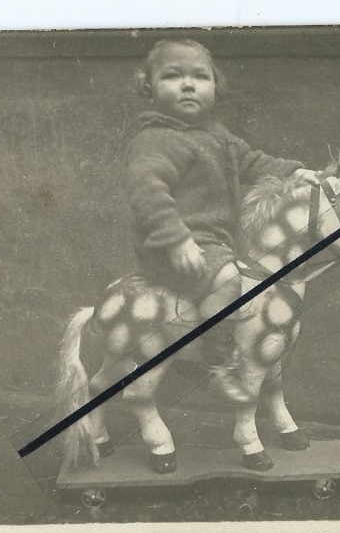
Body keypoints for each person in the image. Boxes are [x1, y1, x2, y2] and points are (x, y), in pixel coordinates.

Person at [125, 39, 319, 402]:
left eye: (200, 76)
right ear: (148, 87)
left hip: (214, 243)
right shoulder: (154, 141)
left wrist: (294, 171)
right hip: (170, 246)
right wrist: (178, 240)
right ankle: (218, 359)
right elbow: (148, 195)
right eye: (172, 76)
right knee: (230, 281)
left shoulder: (218, 137)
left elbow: (253, 162)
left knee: (252, 278)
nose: (188, 84)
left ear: (216, 87)